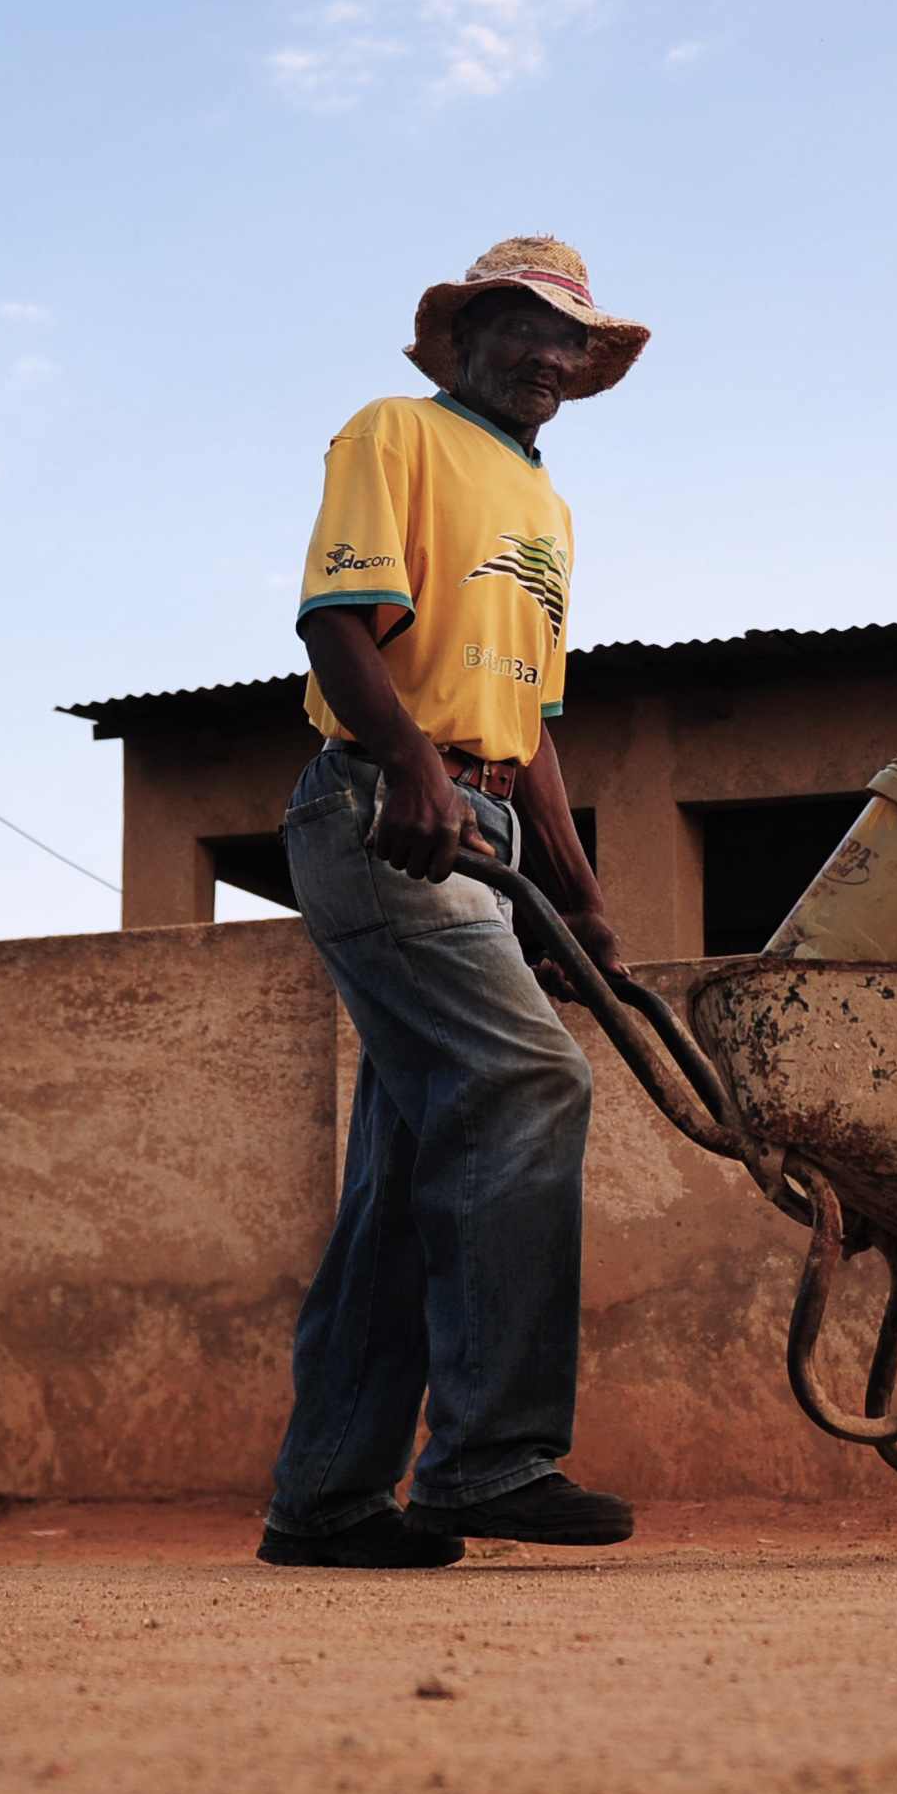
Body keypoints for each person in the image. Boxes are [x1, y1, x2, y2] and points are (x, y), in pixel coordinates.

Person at [257, 239, 651, 1568]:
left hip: (479, 830)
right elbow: (333, 625)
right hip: (382, 809)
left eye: (571, 342)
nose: (551, 356)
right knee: (529, 1083)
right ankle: (491, 1459)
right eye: (527, 327)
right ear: (465, 332)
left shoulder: (547, 512)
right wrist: (416, 768)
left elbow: (528, 726)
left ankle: (325, 1501)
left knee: (408, 1170)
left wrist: (579, 901)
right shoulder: (397, 436)